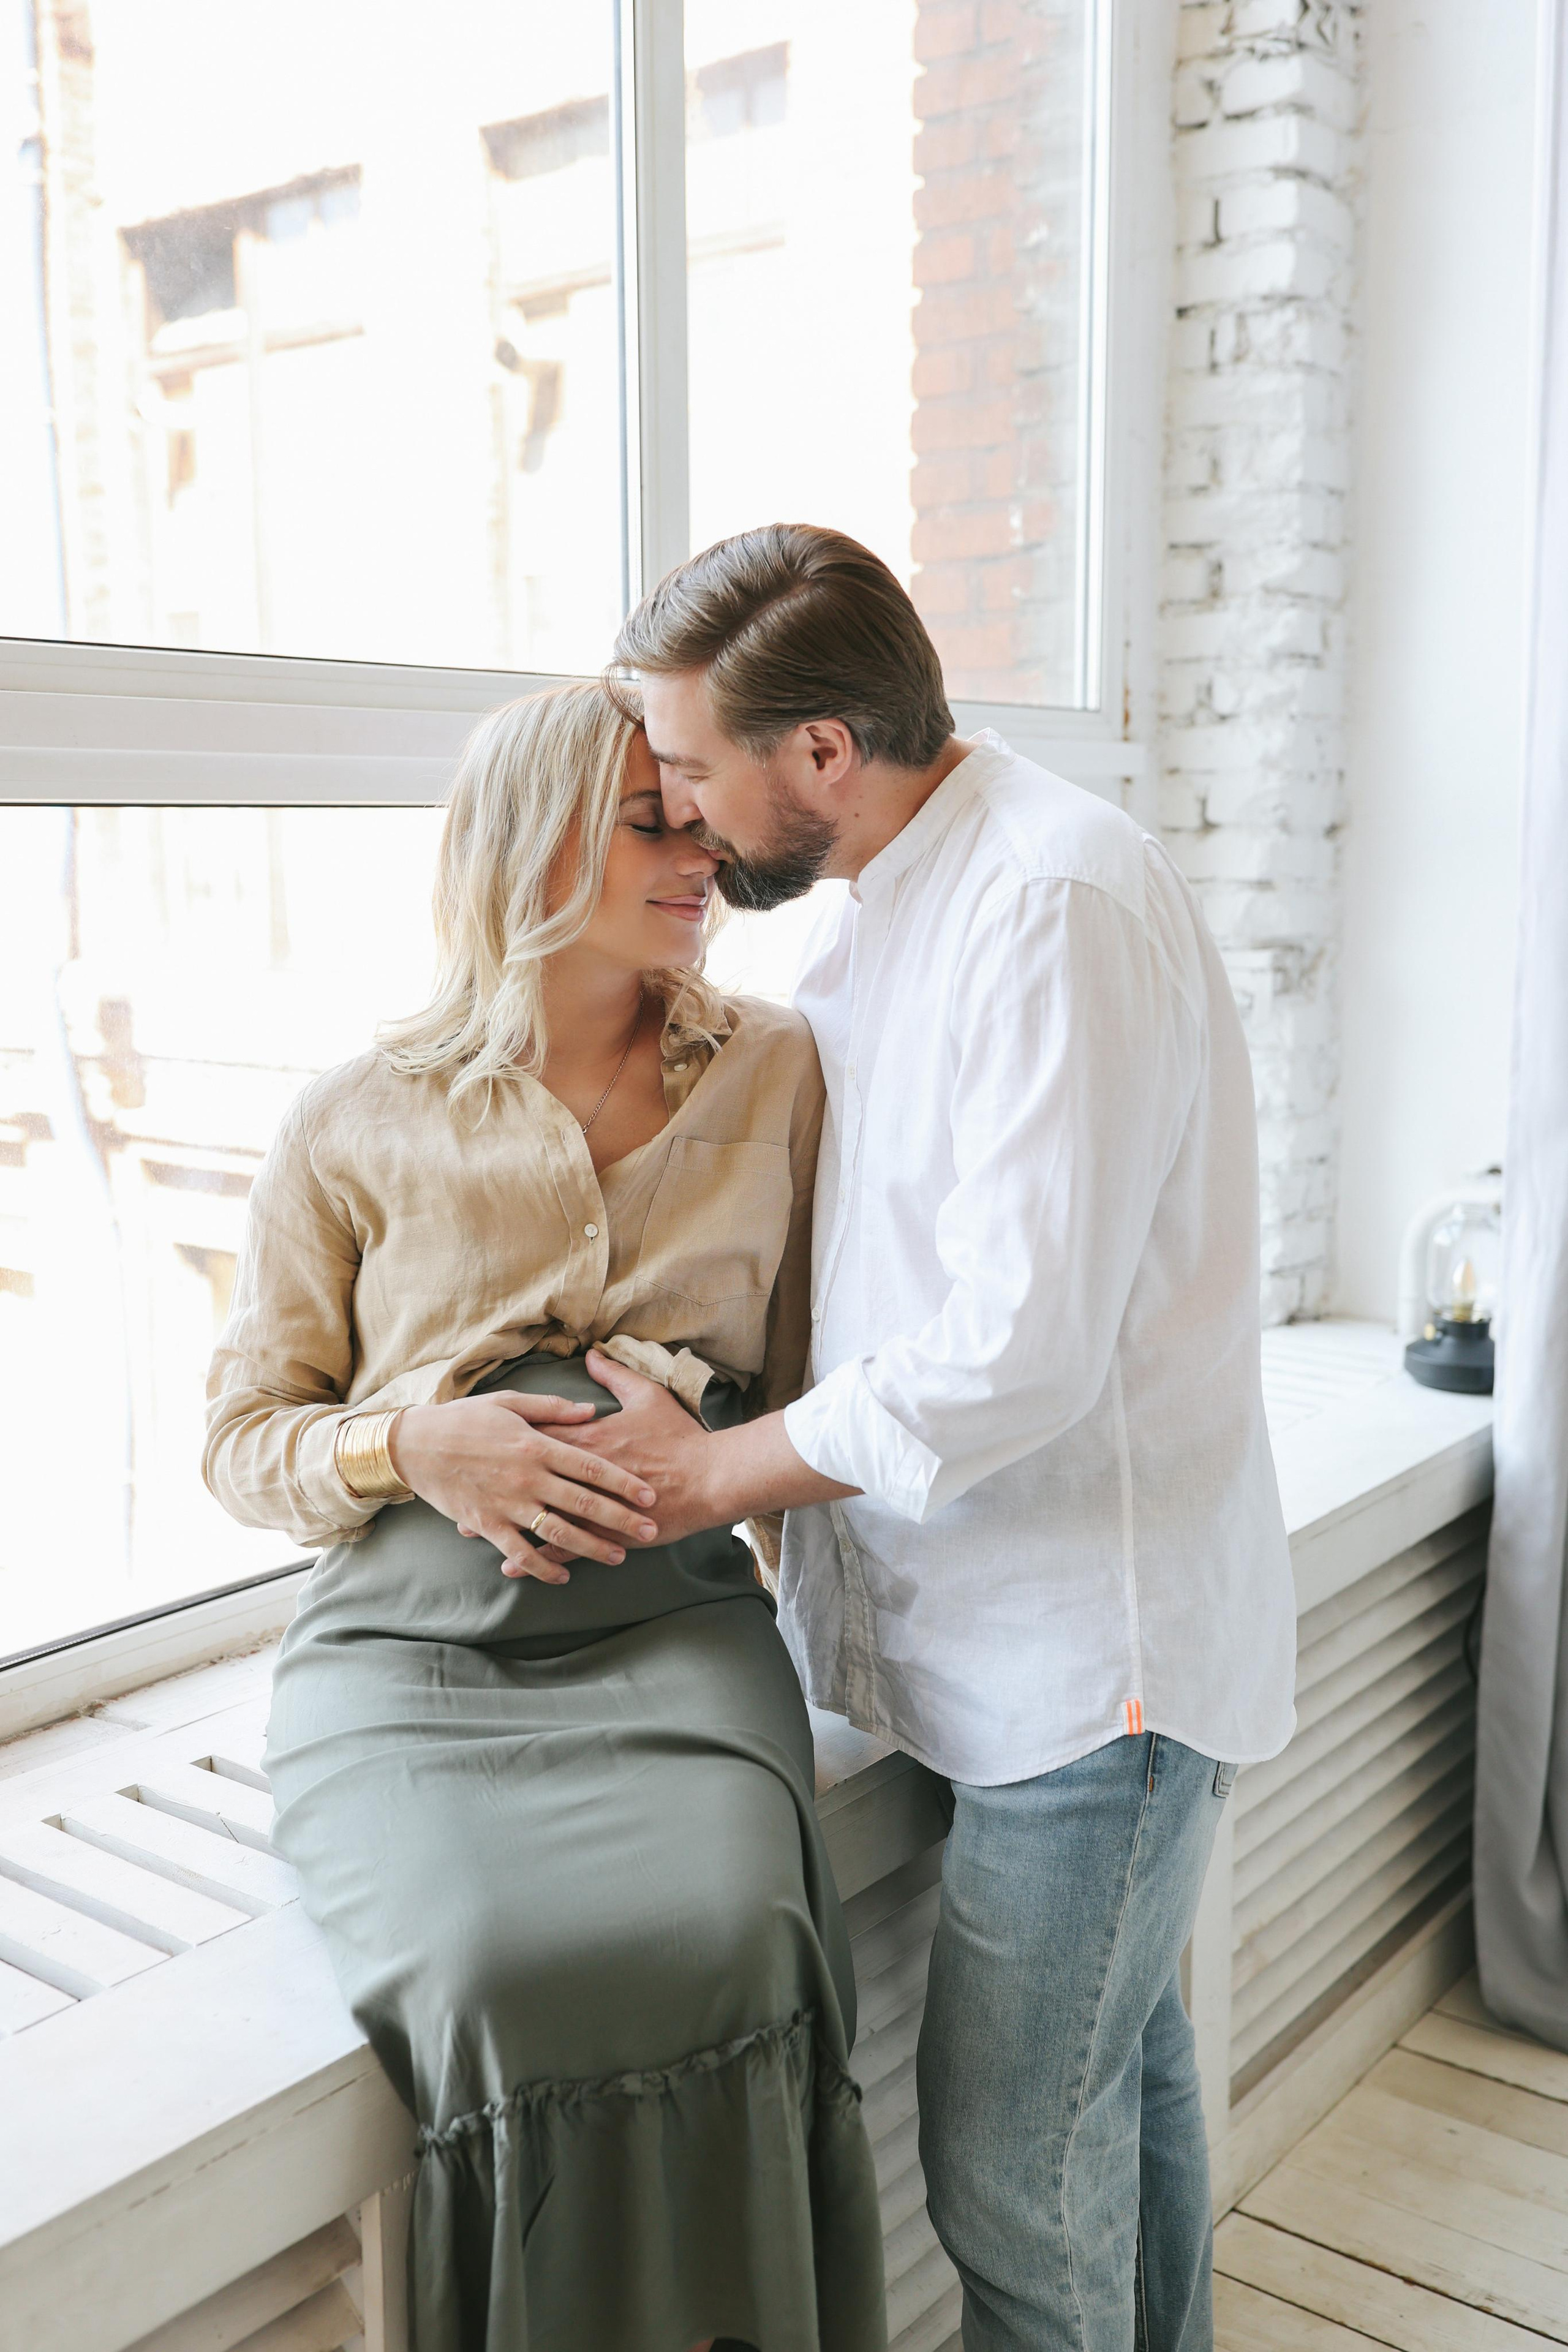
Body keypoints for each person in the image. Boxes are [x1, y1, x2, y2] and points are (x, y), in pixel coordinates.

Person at [541, 526, 1299, 2351]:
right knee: (1126, 2096)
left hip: (1086, 1676)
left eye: (692, 772)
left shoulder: (1051, 900)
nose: (681, 813)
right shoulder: (894, 894)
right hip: (987, 1636)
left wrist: (707, 1476)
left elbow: (1015, 1349)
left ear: (821, 754)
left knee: (1011, 2185)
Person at [203, 680, 886, 2352]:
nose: (699, 850)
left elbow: (821, 1385)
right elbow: (243, 1442)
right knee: (493, 1977)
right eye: (651, 819)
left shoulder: (780, 1069)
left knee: (734, 1938)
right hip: (411, 1660)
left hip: (672, 1639)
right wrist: (419, 1447)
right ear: (532, 844)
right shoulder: (352, 1118)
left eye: (697, 815)